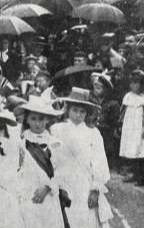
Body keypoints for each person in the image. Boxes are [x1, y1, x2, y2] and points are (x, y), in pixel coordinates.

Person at [51, 88, 113, 228]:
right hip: (62, 182)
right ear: (67, 109)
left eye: (82, 111)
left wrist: (96, 189)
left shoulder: (93, 133)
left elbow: (100, 161)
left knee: (85, 219)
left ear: (87, 113)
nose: (78, 115)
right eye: (75, 110)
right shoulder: (56, 129)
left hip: (84, 184)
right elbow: (51, 158)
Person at [15, 97, 67, 228]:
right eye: (33, 119)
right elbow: (16, 169)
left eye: (41, 119)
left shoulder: (55, 143)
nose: (37, 124)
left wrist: (48, 186)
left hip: (48, 194)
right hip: (27, 194)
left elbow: (62, 171)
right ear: (26, 119)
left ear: (47, 119)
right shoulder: (21, 142)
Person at [119, 69, 144, 185]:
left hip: (139, 126)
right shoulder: (128, 96)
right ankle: (135, 174)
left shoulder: (142, 98)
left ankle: (141, 177)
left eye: (137, 82)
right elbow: (123, 111)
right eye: (132, 83)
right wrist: (120, 124)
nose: (134, 85)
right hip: (129, 126)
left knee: (140, 150)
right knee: (131, 150)